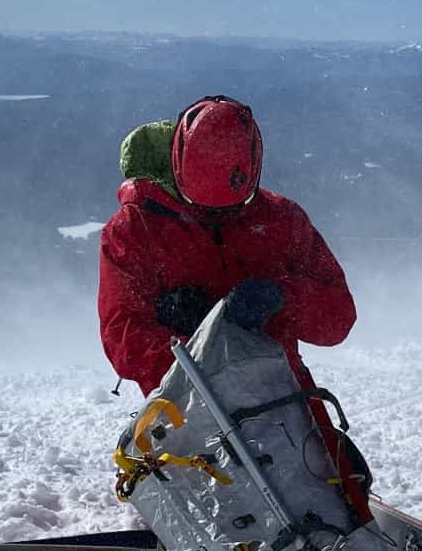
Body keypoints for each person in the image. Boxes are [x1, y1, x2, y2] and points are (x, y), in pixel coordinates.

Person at [97, 95, 370, 520]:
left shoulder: (280, 219)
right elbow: (123, 335)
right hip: (188, 414)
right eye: (199, 208)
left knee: (332, 507)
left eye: (232, 211)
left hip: (284, 401)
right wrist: (196, 348)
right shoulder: (136, 230)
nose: (213, 220)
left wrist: (281, 297)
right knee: (220, 533)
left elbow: (337, 318)